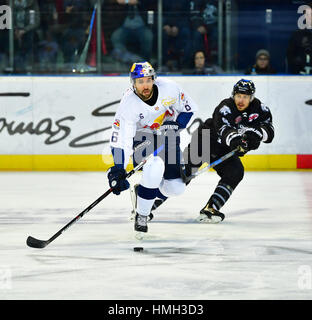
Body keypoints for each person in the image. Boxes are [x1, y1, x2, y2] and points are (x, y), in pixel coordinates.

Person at [152, 79, 274, 223]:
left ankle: (211, 208)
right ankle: (147, 203)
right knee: (183, 175)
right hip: (205, 140)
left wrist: (253, 138)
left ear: (251, 97)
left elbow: (269, 131)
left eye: (245, 97)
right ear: (233, 95)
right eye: (238, 96)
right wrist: (238, 141)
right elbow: (224, 130)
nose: (241, 100)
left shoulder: (261, 109)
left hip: (224, 149)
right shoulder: (225, 108)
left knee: (235, 172)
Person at [107, 61, 198, 236]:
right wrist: (118, 169)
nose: (145, 85)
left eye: (148, 80)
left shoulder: (169, 88)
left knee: (176, 188)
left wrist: (176, 125)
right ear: (133, 83)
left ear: (153, 79)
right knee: (154, 165)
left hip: (168, 137)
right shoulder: (128, 104)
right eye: (140, 82)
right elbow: (121, 140)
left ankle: (142, 192)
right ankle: (142, 215)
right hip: (142, 139)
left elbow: (189, 108)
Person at [110, 0, 156, 64]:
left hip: (142, 27)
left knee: (148, 36)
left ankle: (145, 61)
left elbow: (142, 2)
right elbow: (119, 1)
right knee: (116, 36)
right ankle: (129, 59)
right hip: (125, 27)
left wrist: (127, 1)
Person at [287, 3, 312, 74]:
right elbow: (290, 56)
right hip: (299, 75)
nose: (309, 17)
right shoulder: (297, 35)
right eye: (307, 15)